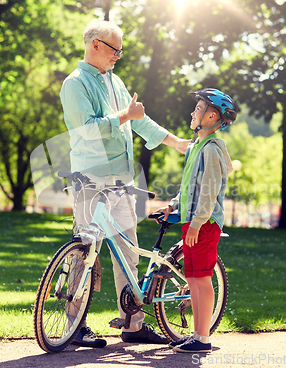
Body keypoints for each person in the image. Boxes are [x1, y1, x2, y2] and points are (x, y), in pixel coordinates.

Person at [59, 19, 190, 348]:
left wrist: (177, 143)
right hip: (90, 177)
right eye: (114, 49)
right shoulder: (75, 84)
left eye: (121, 49)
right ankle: (74, 327)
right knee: (84, 252)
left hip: (121, 181)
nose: (119, 55)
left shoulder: (114, 81)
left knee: (128, 252)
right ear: (95, 46)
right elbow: (86, 129)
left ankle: (133, 324)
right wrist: (125, 116)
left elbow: (140, 120)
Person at [154, 88, 237, 353]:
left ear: (212, 116)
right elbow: (190, 185)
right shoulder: (196, 147)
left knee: (201, 280)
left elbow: (209, 191)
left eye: (198, 109)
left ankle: (203, 338)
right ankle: (197, 336)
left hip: (205, 223)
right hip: (194, 221)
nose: (192, 112)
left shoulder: (211, 150)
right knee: (192, 278)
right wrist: (174, 205)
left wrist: (199, 222)